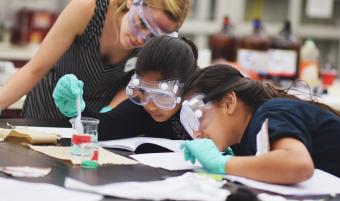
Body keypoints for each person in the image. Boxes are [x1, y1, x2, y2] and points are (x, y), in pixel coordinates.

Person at [0, 0, 191, 120]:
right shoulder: (87, 8)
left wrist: (104, 120)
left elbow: (131, 87)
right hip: (45, 113)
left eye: (153, 35)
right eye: (141, 23)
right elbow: (35, 68)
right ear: (133, 2)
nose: (141, 38)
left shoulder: (151, 45)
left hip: (93, 123)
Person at [180, 64, 340, 184]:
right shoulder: (246, 139)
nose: (196, 134)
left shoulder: (271, 112)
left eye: (199, 116)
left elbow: (299, 165)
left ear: (229, 102)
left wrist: (222, 163)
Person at [53, 35, 198, 142]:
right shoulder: (142, 108)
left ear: (186, 89)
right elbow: (106, 128)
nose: (151, 106)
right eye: (143, 91)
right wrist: (77, 109)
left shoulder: (203, 110)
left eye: (163, 96)